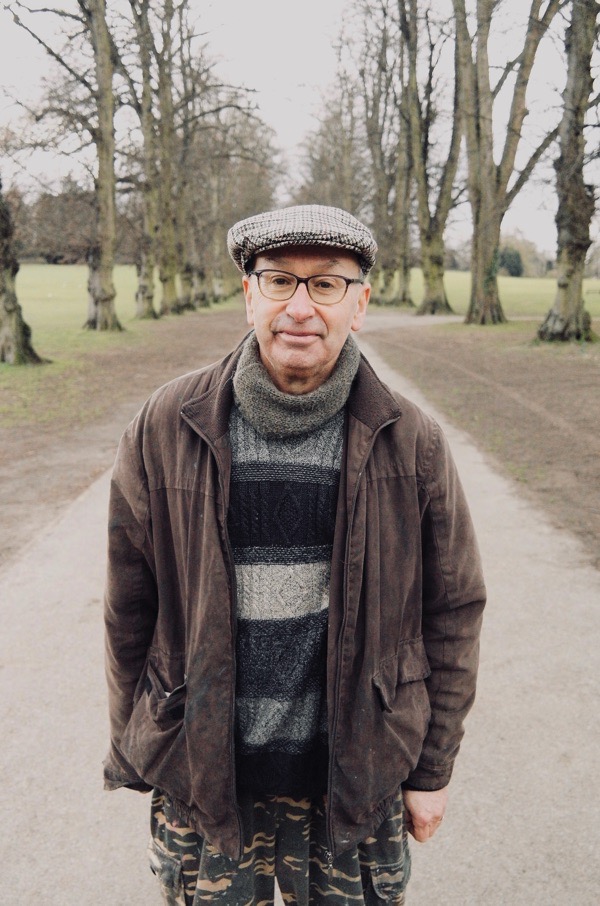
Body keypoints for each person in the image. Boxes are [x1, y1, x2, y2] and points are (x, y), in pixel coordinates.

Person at [103, 204, 486, 905]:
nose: (300, 307)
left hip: (356, 784)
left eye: (327, 284)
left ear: (359, 304)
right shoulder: (163, 427)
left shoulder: (415, 442)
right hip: (208, 784)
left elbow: (453, 611)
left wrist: (432, 772)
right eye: (279, 280)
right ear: (249, 295)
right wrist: (137, 743)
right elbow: (129, 604)